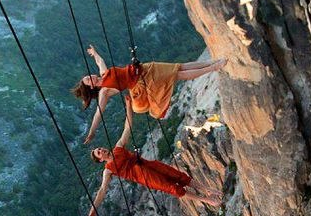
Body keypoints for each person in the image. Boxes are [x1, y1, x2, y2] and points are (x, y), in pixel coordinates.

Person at [88, 98, 218, 216]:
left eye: (99, 148)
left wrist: (128, 107)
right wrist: (94, 208)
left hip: (149, 165)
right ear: (100, 160)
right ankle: (207, 200)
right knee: (173, 188)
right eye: (99, 153)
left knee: (179, 176)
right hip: (145, 176)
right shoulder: (108, 170)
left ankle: (208, 190)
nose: (101, 150)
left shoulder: (118, 147)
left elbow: (127, 127)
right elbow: (102, 190)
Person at [71, 44, 227, 143]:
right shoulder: (104, 91)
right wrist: (92, 132)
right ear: (91, 87)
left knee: (179, 67)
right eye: (88, 80)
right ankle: (214, 67)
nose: (90, 77)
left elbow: (99, 61)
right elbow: (98, 114)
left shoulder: (103, 73)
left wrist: (94, 52)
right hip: (144, 81)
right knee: (177, 75)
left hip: (145, 69)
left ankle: (212, 62)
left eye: (88, 76)